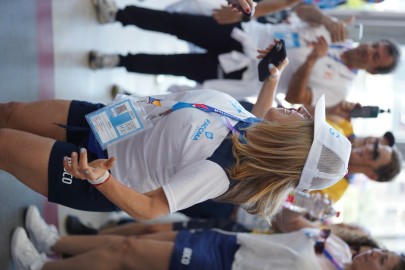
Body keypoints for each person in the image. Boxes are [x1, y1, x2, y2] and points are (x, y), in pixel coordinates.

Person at [0, 43, 351, 222]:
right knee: (11, 112)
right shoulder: (252, 128)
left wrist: (100, 179)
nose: (302, 109)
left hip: (96, 171)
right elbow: (256, 116)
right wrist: (271, 79)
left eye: (307, 122)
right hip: (106, 120)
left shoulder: (223, 171)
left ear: (294, 144)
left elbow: (151, 208)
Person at [89, 0, 400, 107]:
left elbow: (293, 98)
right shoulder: (334, 34)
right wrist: (325, 19)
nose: (368, 51)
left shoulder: (339, 88)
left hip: (247, 71)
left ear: (372, 71)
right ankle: (118, 14)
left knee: (176, 65)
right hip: (247, 34)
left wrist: (313, 61)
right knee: (179, 23)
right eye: (374, 46)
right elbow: (301, 8)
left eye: (375, 57)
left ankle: (117, 61)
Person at [11, 205, 405, 270]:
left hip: (220, 266)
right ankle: (53, 244)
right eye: (381, 253)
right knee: (125, 244)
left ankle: (40, 265)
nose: (373, 256)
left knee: (128, 252)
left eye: (382, 263)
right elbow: (285, 223)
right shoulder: (337, 246)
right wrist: (302, 210)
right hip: (228, 243)